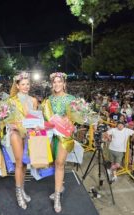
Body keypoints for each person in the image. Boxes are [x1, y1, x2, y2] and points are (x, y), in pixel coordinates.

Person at [41, 72, 75, 213]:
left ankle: (57, 197)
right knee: (54, 163)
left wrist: (67, 121)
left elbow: (74, 117)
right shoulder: (48, 100)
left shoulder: (71, 99)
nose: (56, 84)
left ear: (64, 84)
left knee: (60, 163)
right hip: (51, 135)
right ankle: (59, 187)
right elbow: (46, 119)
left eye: (59, 81)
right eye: (54, 82)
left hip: (63, 136)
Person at [7, 72, 37, 209]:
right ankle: (18, 193)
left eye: (27, 84)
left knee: (25, 164)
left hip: (29, 134)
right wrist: (13, 125)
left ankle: (22, 189)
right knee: (19, 163)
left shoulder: (34, 100)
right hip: (16, 134)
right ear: (17, 86)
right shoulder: (11, 101)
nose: (25, 87)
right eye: (22, 84)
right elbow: (6, 119)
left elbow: (35, 118)